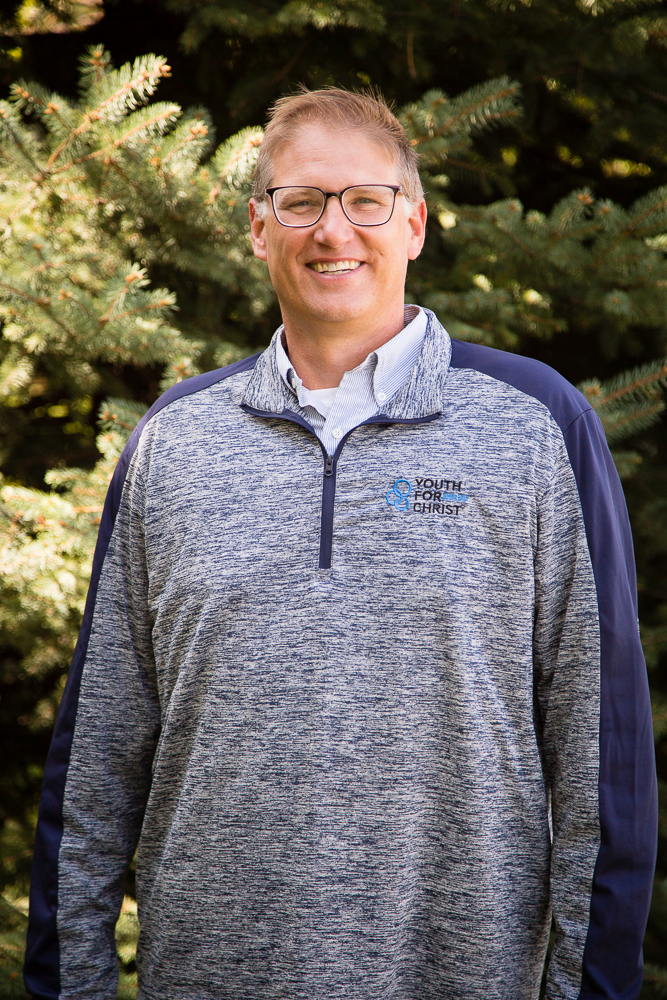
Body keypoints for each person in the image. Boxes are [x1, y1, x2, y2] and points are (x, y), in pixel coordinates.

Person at [24, 87, 657, 1000]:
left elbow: (602, 754)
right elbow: (97, 760)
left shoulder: (535, 425)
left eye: (366, 200)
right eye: (300, 202)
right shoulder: (175, 442)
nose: (333, 230)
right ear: (258, 227)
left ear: (414, 225)